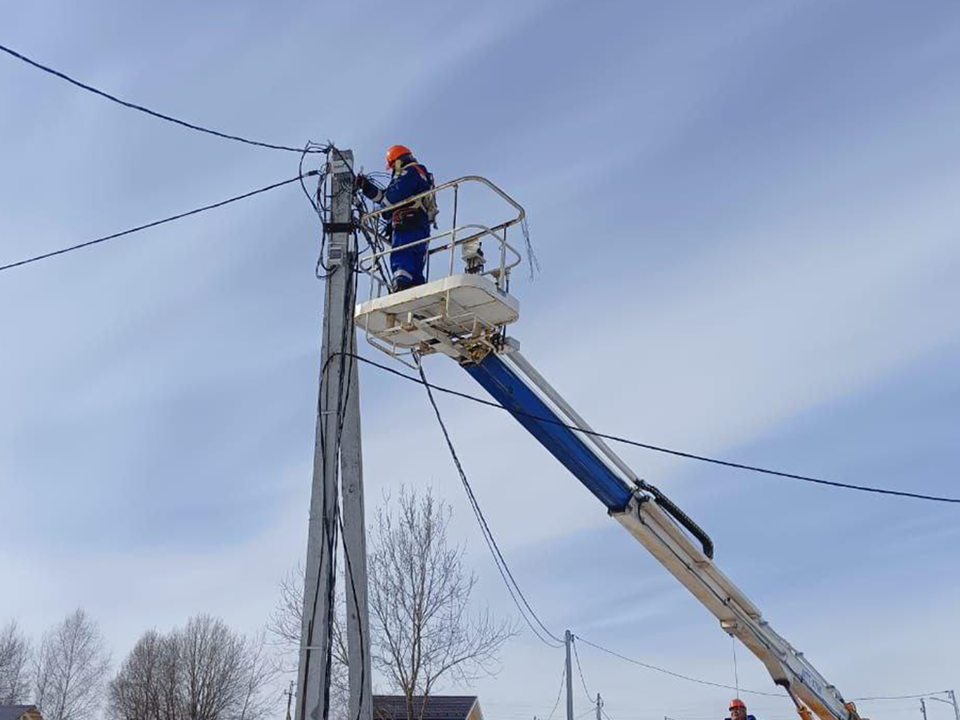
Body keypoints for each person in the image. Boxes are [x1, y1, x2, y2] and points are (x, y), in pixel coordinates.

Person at [356, 144, 436, 292]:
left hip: (407, 223)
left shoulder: (408, 173)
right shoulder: (420, 173)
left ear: (398, 162)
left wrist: (384, 212)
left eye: (393, 166)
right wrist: (366, 187)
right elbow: (385, 197)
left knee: (402, 255)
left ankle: (401, 284)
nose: (393, 170)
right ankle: (416, 289)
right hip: (420, 224)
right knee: (416, 260)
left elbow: (391, 200)